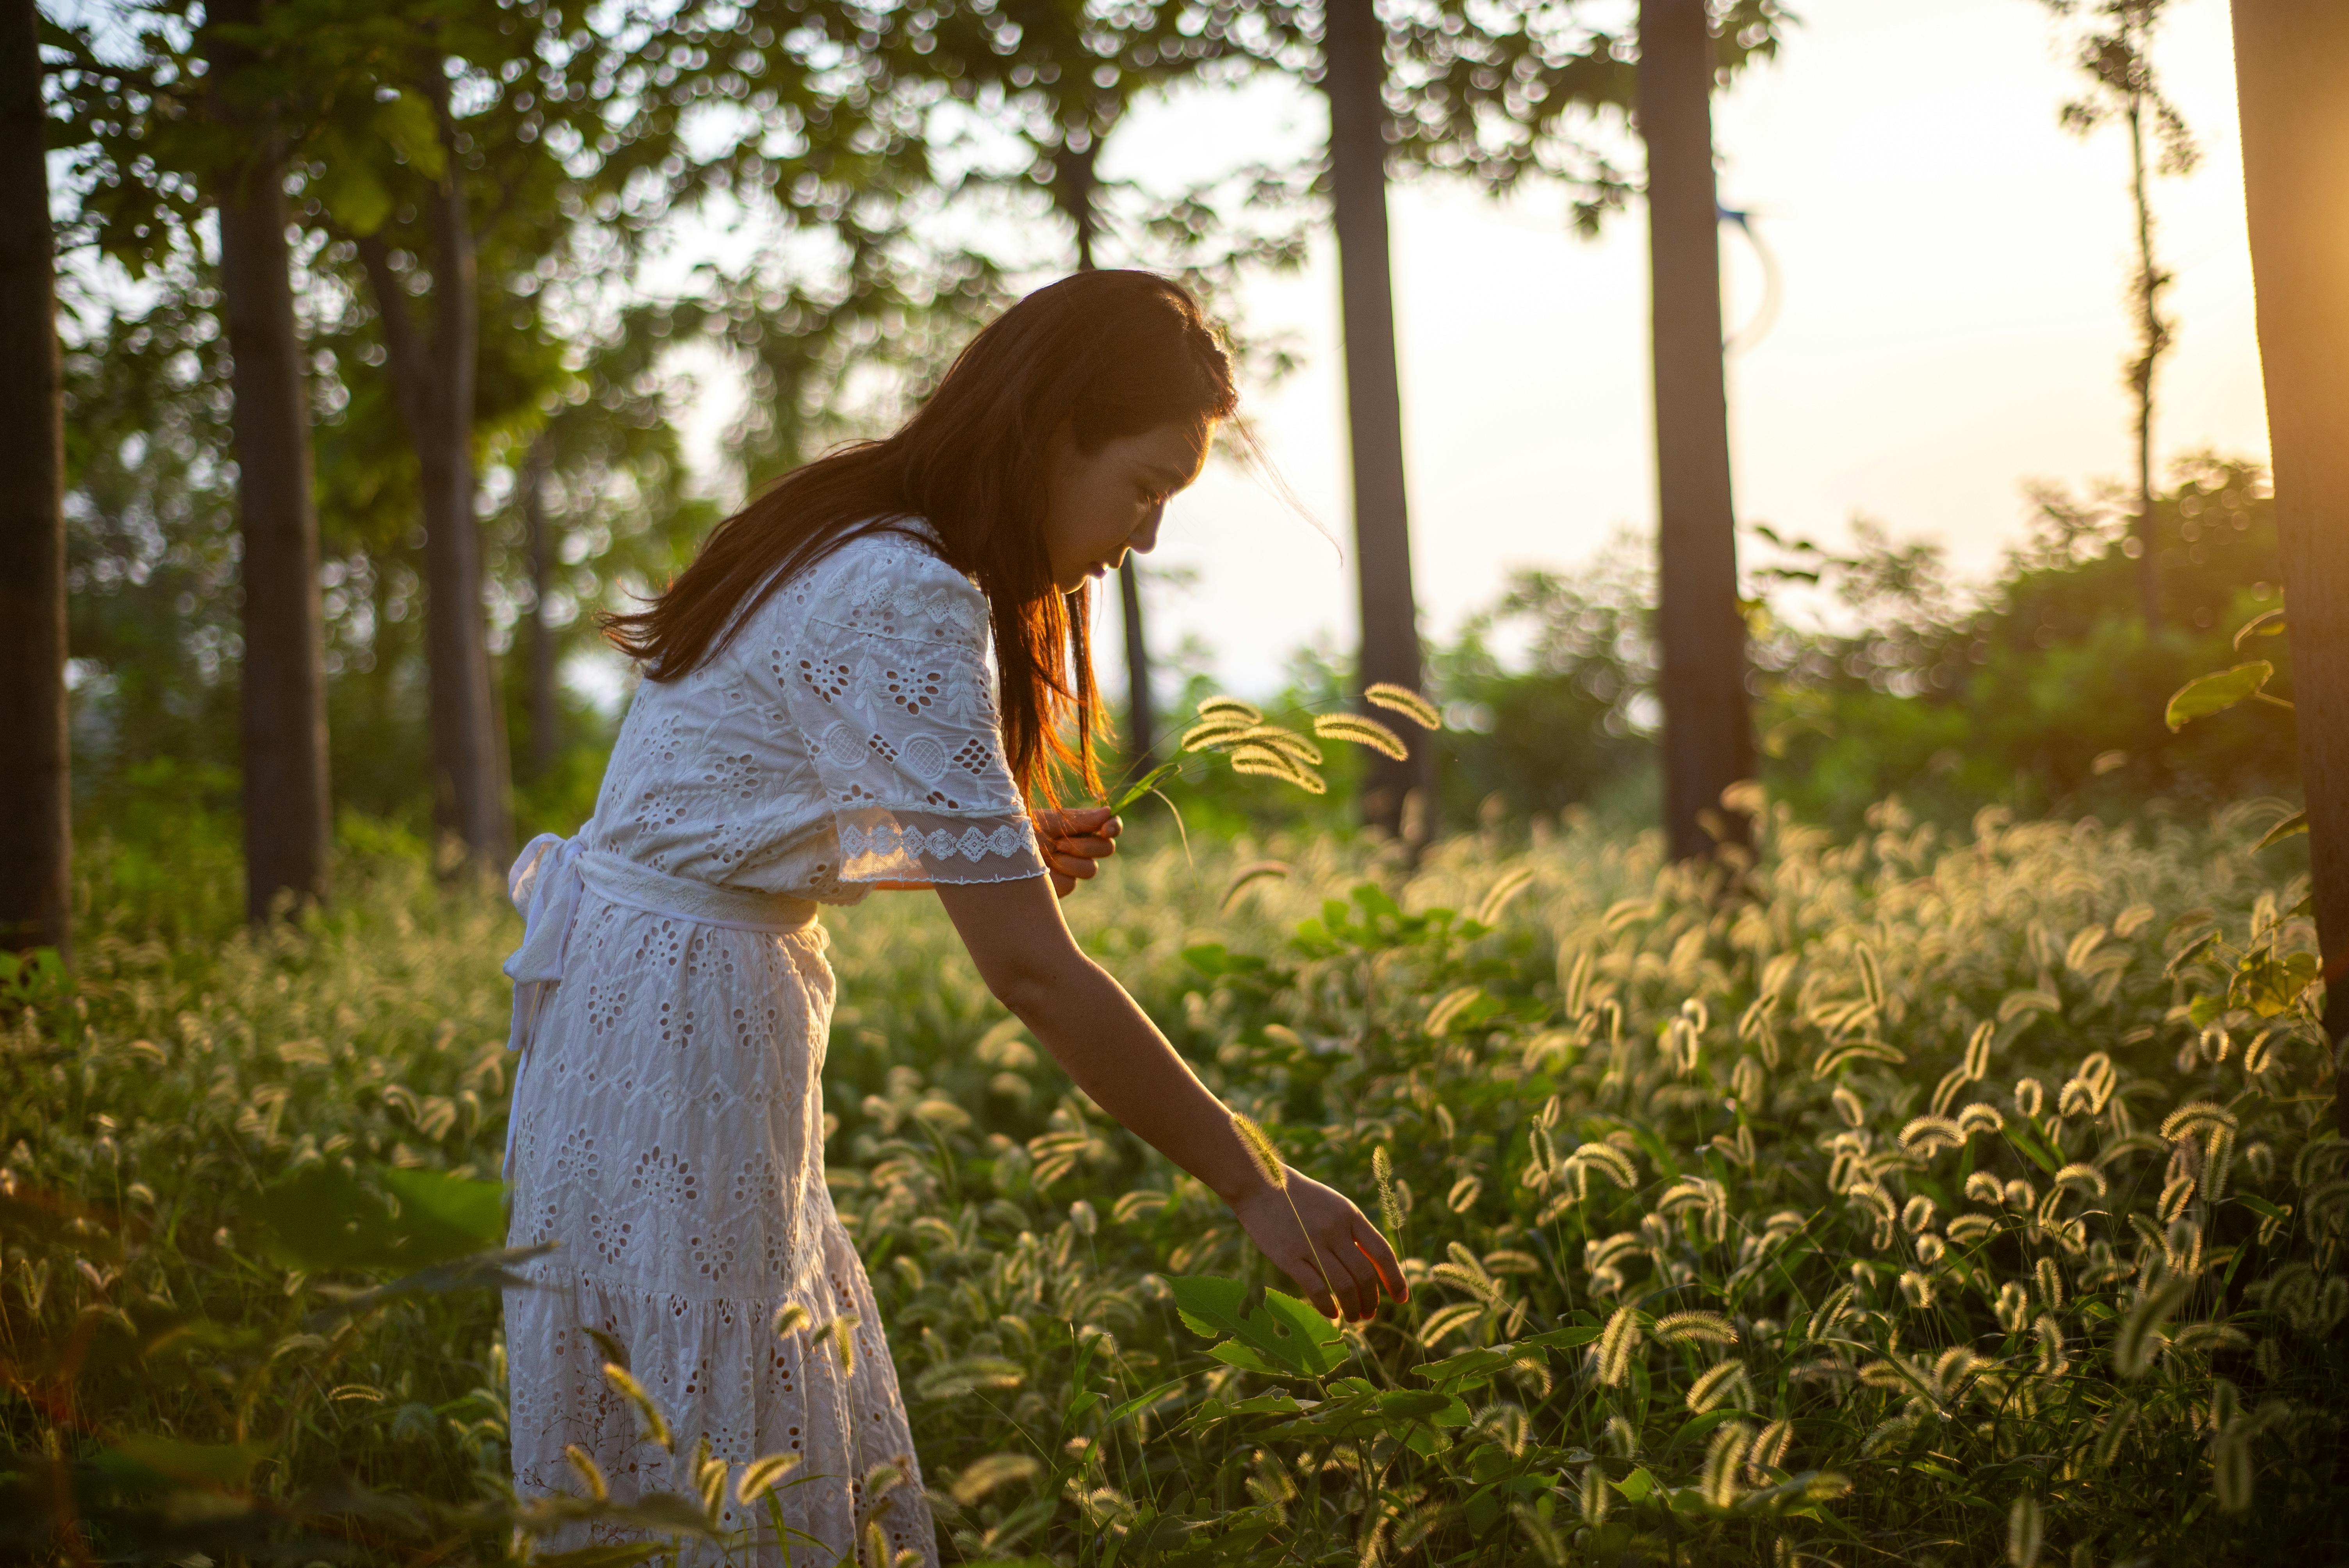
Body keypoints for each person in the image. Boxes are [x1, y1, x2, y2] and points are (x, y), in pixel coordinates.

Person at [499, 269, 1407, 1566]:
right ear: (1053, 435)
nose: (1144, 538)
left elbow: (716, 810)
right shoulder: (908, 586)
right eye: (1145, 487)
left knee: (665, 1441)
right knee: (725, 1447)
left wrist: (975, 846)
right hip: (681, 1037)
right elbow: (1035, 975)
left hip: (631, 1007)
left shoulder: (837, 525)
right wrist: (1254, 1183)